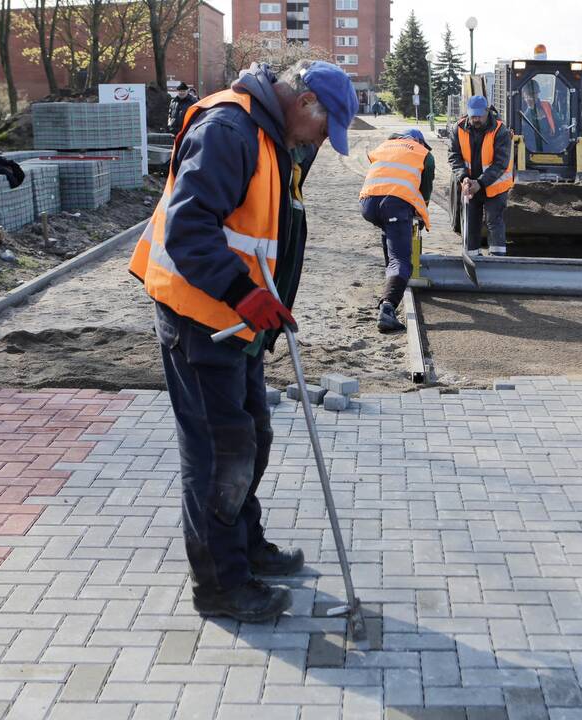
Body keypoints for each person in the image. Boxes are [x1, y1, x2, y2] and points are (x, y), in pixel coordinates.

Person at [129, 60, 358, 623]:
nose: (323, 144)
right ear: (305, 104)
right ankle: (220, 585)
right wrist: (243, 292)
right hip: (202, 317)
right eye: (325, 130)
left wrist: (264, 301)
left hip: (239, 320)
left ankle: (245, 547)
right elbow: (188, 229)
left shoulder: (269, 132)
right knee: (217, 454)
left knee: (251, 434)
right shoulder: (229, 132)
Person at [359, 128, 434, 332]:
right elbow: (425, 191)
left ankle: (391, 280)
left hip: (367, 204)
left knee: (390, 234)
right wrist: (418, 209)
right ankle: (388, 308)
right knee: (401, 260)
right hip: (394, 204)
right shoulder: (423, 154)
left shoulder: (385, 146)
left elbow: (384, 174)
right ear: (419, 141)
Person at [449, 94, 513, 256]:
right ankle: (472, 256)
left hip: (494, 185)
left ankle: (498, 258)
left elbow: (500, 163)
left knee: (493, 221)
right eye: (473, 116)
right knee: (471, 222)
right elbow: (454, 156)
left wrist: (481, 183)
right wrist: (464, 178)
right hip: (470, 185)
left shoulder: (500, 130)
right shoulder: (458, 129)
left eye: (479, 116)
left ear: (487, 112)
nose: (476, 119)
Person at [520, 80, 558, 152]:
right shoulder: (518, 106)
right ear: (523, 94)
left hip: (548, 144)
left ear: (538, 93)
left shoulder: (546, 106)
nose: (532, 96)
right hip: (525, 147)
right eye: (529, 94)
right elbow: (522, 127)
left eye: (534, 93)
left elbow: (558, 123)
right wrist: (529, 107)